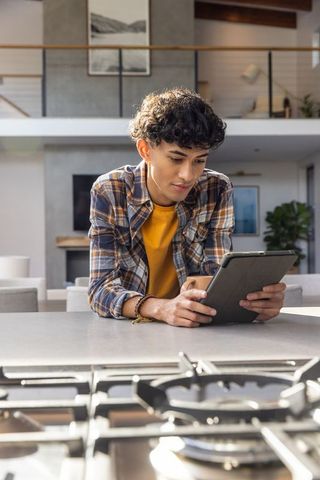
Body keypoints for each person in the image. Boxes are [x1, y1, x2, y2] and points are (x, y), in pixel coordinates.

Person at [88, 87, 285, 327]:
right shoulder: (110, 190)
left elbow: (216, 276)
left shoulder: (217, 189)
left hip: (195, 328)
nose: (188, 175)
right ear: (145, 150)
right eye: (176, 158)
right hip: (130, 329)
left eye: (199, 160)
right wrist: (161, 308)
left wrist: (251, 304)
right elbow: (100, 290)